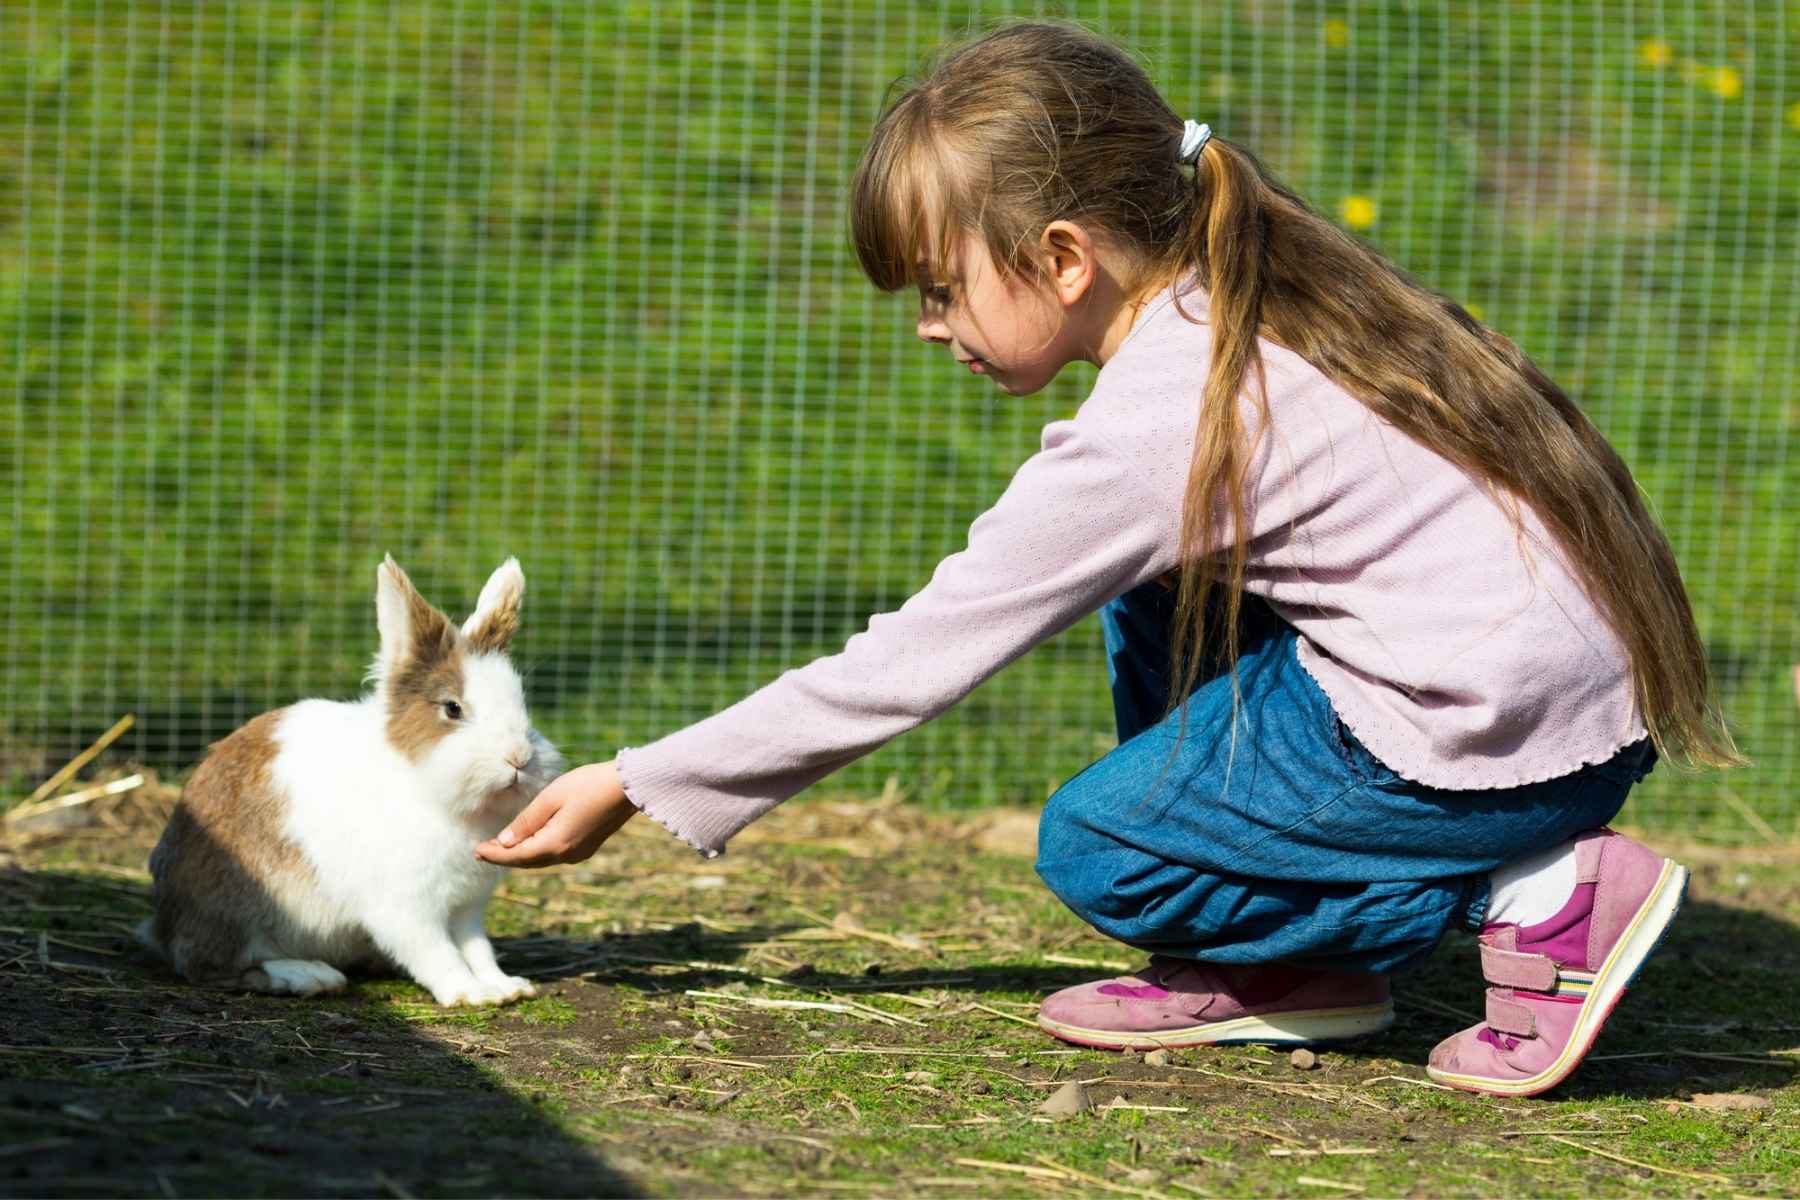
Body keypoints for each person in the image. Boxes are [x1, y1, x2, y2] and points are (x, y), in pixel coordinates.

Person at [476, 21, 1739, 1097]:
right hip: (1557, 701)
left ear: (1065, 259)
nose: (930, 328)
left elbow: (912, 661)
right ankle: (1290, 966)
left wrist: (640, 780)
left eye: (938, 289)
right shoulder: (1254, 293)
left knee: (1103, 848)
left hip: (1494, 743)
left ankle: (1537, 894)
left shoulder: (1156, 423)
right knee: (1155, 585)